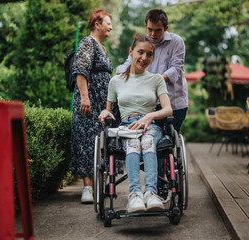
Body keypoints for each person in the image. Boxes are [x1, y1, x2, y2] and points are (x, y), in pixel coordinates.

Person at [99, 35, 173, 213]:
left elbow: (168, 109)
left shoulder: (157, 79)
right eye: (140, 52)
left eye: (149, 54)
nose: (144, 58)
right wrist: (104, 112)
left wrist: (150, 116)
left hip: (150, 125)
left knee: (147, 141)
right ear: (131, 52)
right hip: (127, 126)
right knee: (133, 143)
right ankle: (135, 196)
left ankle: (151, 193)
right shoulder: (116, 81)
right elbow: (108, 109)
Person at [116, 8, 188, 133]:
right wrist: (122, 76)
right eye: (150, 30)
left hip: (173, 104)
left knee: (167, 143)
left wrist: (152, 81)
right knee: (148, 138)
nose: (153, 34)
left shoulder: (176, 42)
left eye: (158, 30)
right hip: (148, 105)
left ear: (166, 28)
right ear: (146, 27)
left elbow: (176, 69)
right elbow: (126, 66)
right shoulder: (142, 43)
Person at [71, 8, 113, 204]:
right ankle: (87, 188)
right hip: (88, 102)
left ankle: (100, 185)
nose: (111, 27)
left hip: (101, 104)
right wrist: (85, 97)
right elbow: (80, 71)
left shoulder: (102, 47)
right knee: (86, 142)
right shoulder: (88, 42)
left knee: (100, 141)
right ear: (97, 24)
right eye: (108, 23)